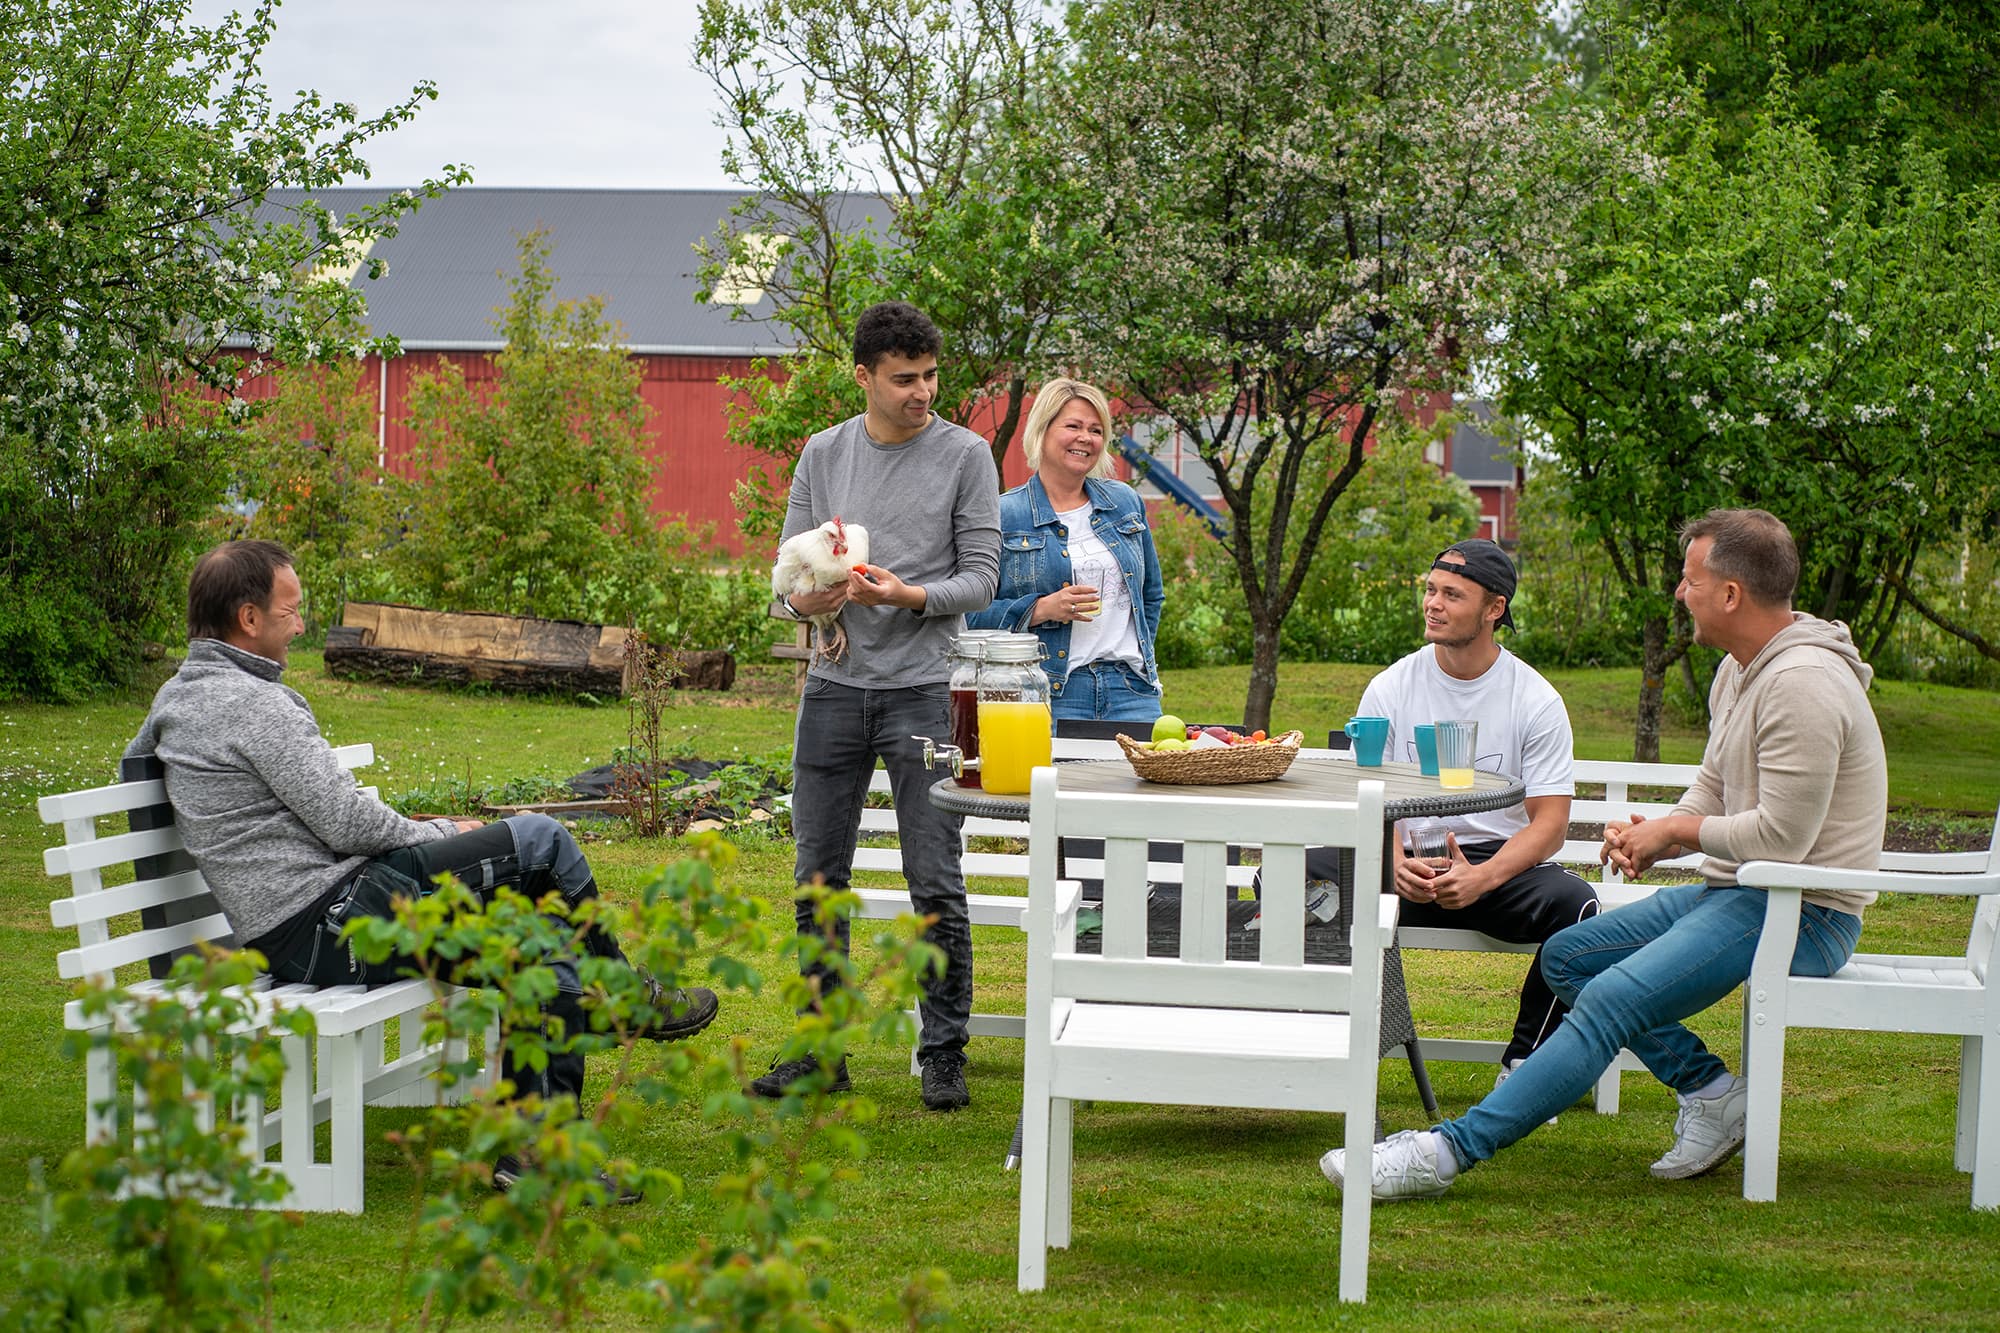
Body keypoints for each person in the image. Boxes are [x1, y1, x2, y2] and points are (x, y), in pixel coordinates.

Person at [124, 539, 719, 1202]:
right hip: (332, 919)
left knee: (542, 943)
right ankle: (625, 996)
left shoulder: (182, 695)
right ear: (248, 618)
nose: (300, 624)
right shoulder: (251, 706)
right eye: (290, 610)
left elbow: (142, 757)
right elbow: (347, 824)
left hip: (307, 923)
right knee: (543, 840)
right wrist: (441, 831)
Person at [1326, 509, 1886, 1200]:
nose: (1680, 593)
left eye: (1690, 580)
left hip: (1804, 911)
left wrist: (1674, 834)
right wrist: (1660, 828)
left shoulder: (1802, 684)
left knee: (1613, 997)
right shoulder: (1740, 673)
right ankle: (1711, 1091)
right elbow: (1713, 783)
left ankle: (1443, 1153)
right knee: (1571, 957)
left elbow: (1782, 841)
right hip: (1740, 893)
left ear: (1732, 593)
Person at [759, 301, 1001, 1111]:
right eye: (904, 379)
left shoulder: (967, 454)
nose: (923, 392)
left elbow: (984, 577)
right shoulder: (823, 453)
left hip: (926, 692)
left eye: (931, 375)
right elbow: (785, 584)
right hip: (833, 689)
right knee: (816, 876)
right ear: (864, 376)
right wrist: (813, 598)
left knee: (934, 875)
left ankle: (943, 1051)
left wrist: (908, 594)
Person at [1317, 538, 1599, 1078]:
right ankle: (1318, 1045)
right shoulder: (1391, 687)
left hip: (1495, 865)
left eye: (1452, 594)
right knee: (1285, 878)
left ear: (1494, 609)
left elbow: (1551, 824)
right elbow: (1363, 794)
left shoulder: (1534, 699)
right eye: (1430, 590)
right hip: (1402, 863)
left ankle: (1527, 1067)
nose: (1433, 603)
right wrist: (1388, 858)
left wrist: (1484, 877)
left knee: (1577, 907)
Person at [965, 378, 1165, 723]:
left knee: (1136, 779)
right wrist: (1038, 609)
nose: (1085, 438)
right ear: (1042, 431)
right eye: (1073, 426)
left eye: (1096, 430)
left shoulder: (1125, 502)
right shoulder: (1004, 514)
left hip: (1132, 691)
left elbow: (1151, 596)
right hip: (1049, 691)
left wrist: (1136, 660)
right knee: (1055, 780)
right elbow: (966, 615)